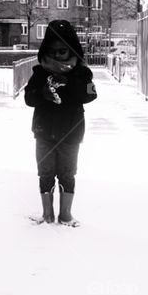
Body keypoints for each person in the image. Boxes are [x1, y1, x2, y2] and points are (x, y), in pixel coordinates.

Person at [24, 20, 97, 226]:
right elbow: (28, 99)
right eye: (53, 51)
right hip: (44, 132)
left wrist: (71, 83)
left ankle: (65, 215)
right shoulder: (40, 73)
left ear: (71, 50)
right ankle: (47, 214)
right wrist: (43, 94)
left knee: (67, 173)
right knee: (45, 173)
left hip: (70, 133)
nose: (57, 55)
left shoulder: (82, 73)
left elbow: (91, 95)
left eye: (62, 51)